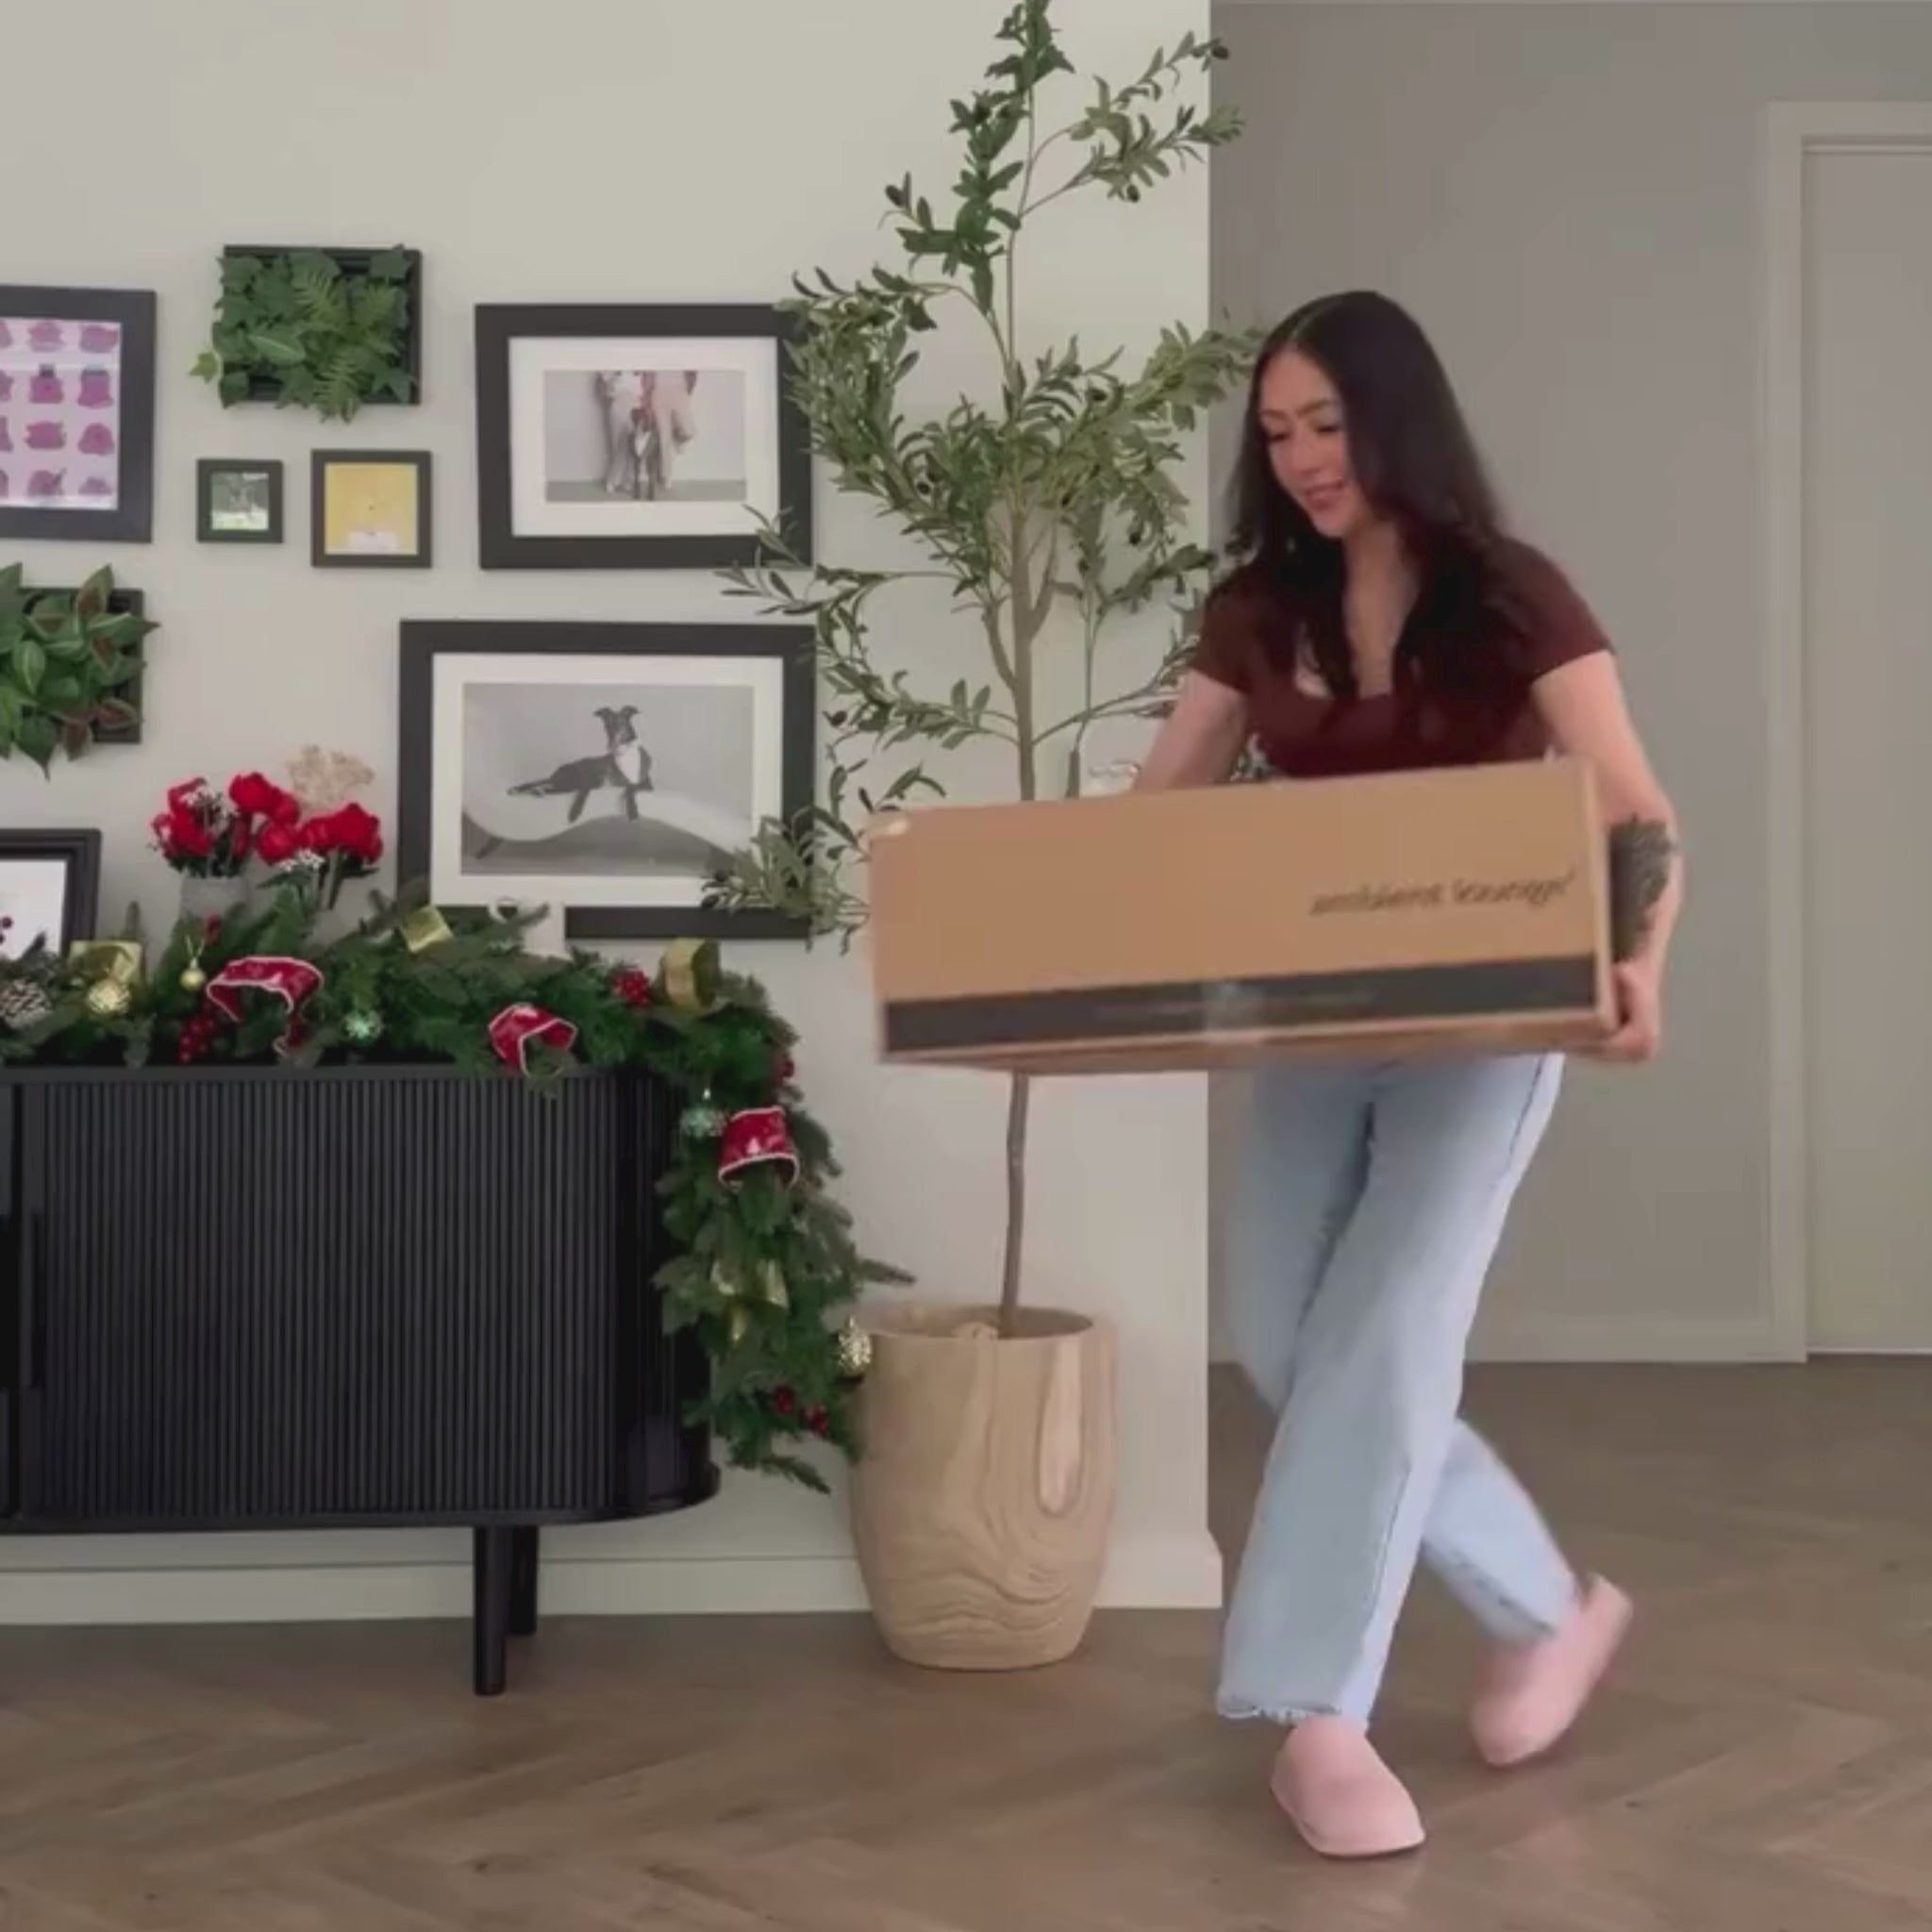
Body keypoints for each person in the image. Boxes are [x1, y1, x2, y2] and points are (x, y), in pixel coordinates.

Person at [1135, 291, 1683, 1860]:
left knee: (1382, 1337)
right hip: (1314, 1027)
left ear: (1395, 417)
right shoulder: (1259, 612)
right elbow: (1156, 814)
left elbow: (1634, 809)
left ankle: (1317, 1716)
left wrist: (1639, 965)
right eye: (1278, 433)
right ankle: (1551, 1609)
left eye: (1328, 423)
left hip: (1488, 1031)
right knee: (1285, 1346)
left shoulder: (1508, 595)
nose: (1304, 457)